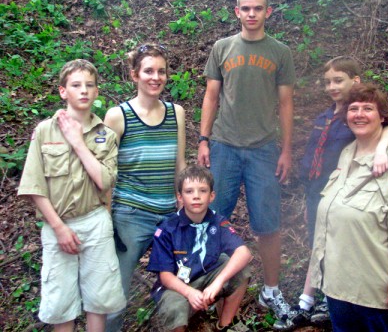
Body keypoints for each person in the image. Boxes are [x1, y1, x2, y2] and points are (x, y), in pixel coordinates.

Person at [197, 0, 296, 327]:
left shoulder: (279, 51)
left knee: (267, 225)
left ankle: (271, 289)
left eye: (258, 8)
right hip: (224, 144)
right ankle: (207, 286)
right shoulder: (222, 47)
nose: (252, 14)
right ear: (236, 11)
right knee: (212, 219)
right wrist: (204, 139)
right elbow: (211, 96)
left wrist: (285, 150)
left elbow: (285, 104)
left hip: (263, 149)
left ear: (268, 12)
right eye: (246, 8)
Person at [309, 83, 388, 331]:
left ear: (382, 116)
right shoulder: (347, 153)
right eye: (353, 109)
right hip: (340, 288)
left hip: (378, 293)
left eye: (368, 108)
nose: (359, 114)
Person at [17, 59, 126, 331]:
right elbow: (34, 186)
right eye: (76, 85)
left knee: (98, 300)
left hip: (95, 221)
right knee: (60, 301)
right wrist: (59, 228)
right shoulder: (45, 131)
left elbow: (104, 181)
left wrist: (77, 142)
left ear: (97, 92)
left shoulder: (106, 135)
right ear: (63, 91)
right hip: (57, 225)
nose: (83, 91)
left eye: (89, 85)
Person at [290, 57, 388, 327]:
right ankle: (307, 299)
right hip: (317, 191)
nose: (332, 86)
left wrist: (382, 149)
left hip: (342, 191)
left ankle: (328, 298)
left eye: (338, 80)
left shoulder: (357, 114)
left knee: (335, 244)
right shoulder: (325, 116)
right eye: (327, 82)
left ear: (355, 81)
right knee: (317, 240)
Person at [104, 43, 186, 331]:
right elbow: (104, 173)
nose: (156, 77)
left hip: (168, 216)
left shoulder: (176, 113)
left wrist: (185, 207)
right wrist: (106, 218)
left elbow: (180, 166)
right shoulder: (117, 116)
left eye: (161, 71)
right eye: (148, 71)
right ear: (134, 74)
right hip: (130, 215)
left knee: (178, 286)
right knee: (116, 293)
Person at [147, 165, 252, 331]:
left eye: (202, 191)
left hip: (206, 279)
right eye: (189, 191)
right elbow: (165, 276)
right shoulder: (168, 229)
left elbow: (244, 252)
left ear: (211, 196)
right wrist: (189, 293)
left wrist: (217, 283)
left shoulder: (217, 221)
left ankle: (224, 326)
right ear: (179, 197)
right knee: (175, 307)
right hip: (176, 288)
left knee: (239, 267)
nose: (196, 196)